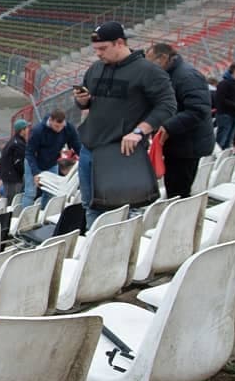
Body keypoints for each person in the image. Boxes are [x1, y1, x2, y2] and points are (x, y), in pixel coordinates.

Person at [72, 22, 176, 228]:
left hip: (120, 152)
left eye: (103, 49)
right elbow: (91, 103)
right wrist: (82, 101)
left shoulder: (148, 71)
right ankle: (97, 251)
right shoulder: (95, 69)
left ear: (119, 43)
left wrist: (140, 131)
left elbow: (168, 105)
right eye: (95, 50)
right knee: (90, 205)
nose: (98, 54)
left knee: (122, 209)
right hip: (90, 148)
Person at [145, 43, 215, 198]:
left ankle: (179, 220)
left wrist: (168, 127)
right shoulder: (168, 75)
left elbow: (198, 110)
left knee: (178, 192)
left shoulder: (188, 76)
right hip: (178, 144)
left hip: (187, 146)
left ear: (163, 58)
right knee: (174, 187)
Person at [22, 111, 80, 207]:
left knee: (50, 192)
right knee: (30, 192)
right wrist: (35, 173)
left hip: (51, 163)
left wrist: (84, 158)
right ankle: (25, 219)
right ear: (51, 121)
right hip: (34, 162)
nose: (59, 129)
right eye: (57, 126)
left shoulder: (68, 128)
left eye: (61, 126)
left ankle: (44, 214)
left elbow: (76, 145)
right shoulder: (38, 130)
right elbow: (29, 153)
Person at [214, 61, 235, 149]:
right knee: (222, 140)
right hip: (225, 115)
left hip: (234, 115)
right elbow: (220, 100)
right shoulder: (224, 84)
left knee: (229, 140)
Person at [0, 119, 30, 201]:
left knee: (13, 199)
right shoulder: (17, 144)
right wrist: (25, 173)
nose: (28, 130)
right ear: (22, 130)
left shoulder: (15, 141)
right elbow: (18, 163)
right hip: (12, 178)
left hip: (9, 176)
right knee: (12, 200)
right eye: (26, 128)